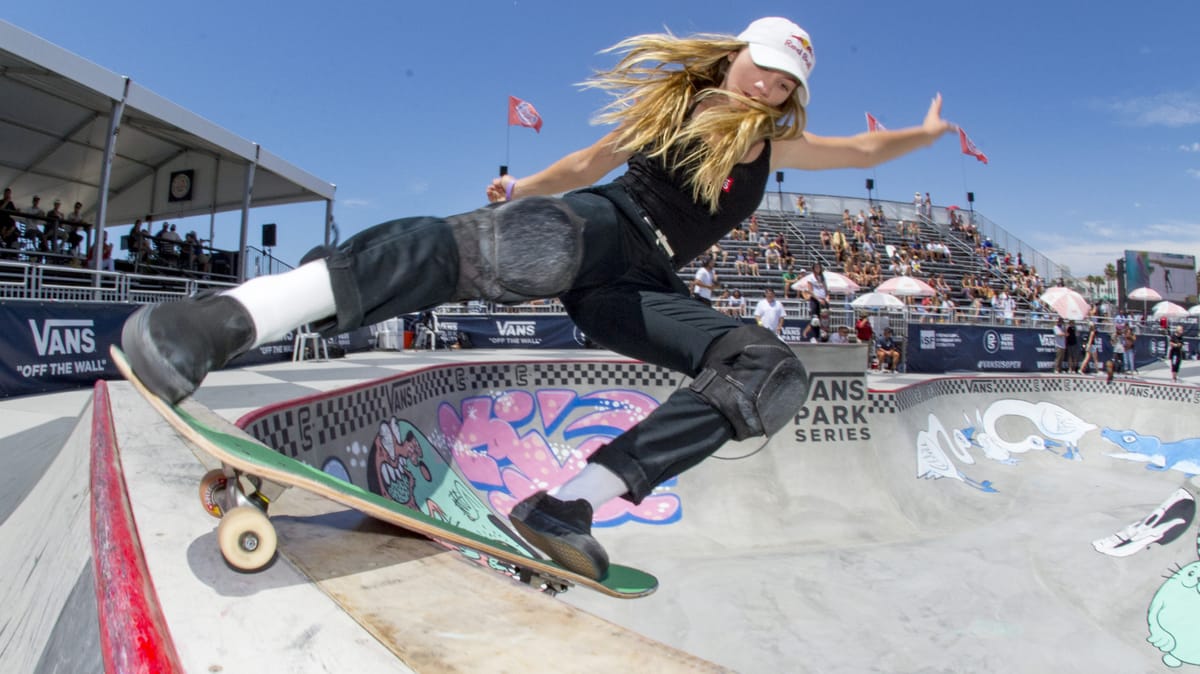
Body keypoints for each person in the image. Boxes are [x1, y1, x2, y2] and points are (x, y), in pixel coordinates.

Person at [120, 17, 956, 581]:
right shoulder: (685, 107)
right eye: (763, 69)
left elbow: (859, 149)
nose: (768, 89)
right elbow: (589, 167)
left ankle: (566, 508)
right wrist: (521, 187)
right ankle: (217, 322)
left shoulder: (775, 142)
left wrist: (918, 137)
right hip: (606, 227)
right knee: (508, 241)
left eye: (784, 84)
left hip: (639, 287)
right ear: (735, 54)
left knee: (768, 371)